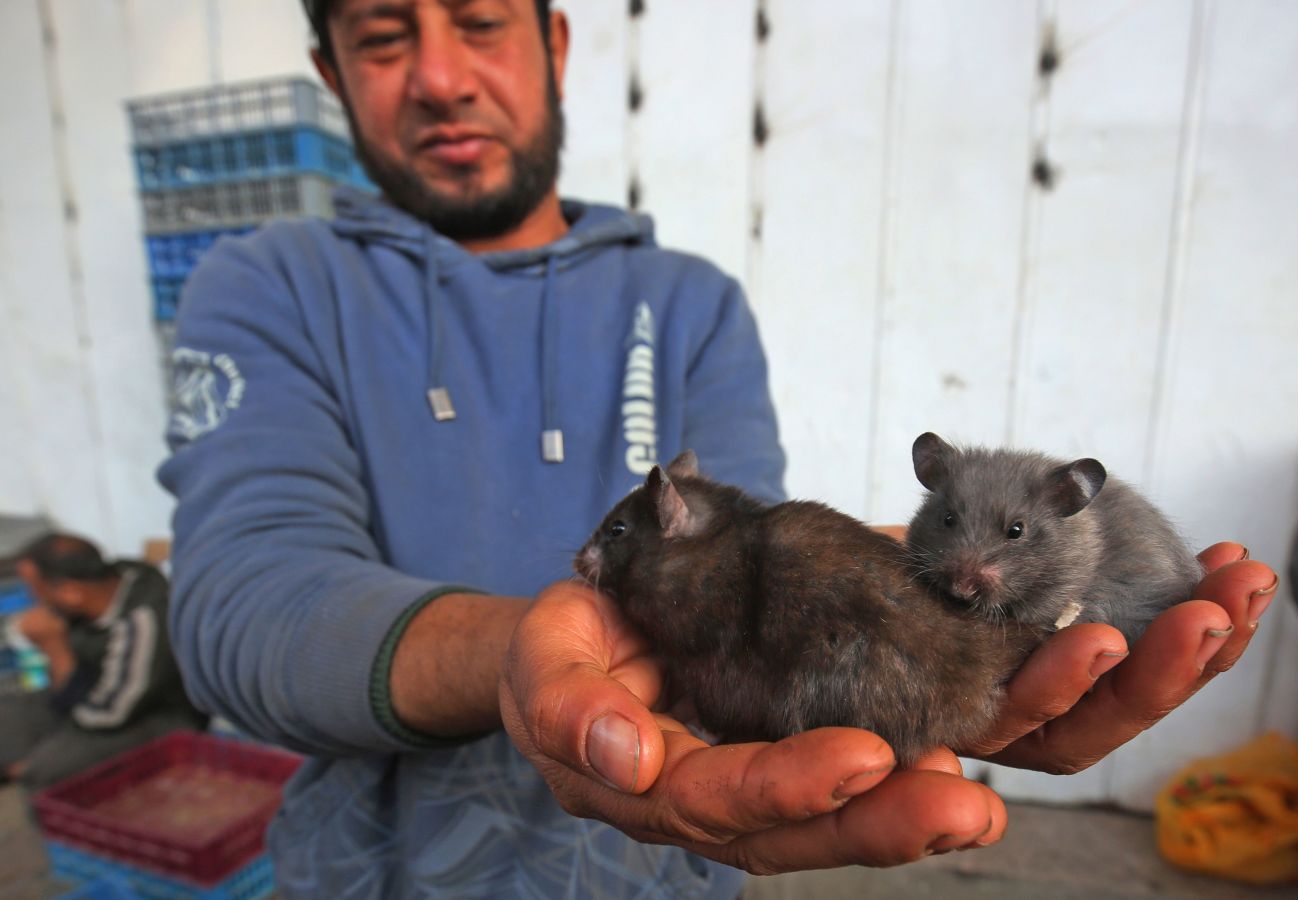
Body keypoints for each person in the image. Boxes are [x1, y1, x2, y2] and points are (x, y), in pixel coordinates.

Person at [156, 0, 1279, 896]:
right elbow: (238, 606)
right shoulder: (266, 285)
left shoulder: (689, 304)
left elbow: (756, 588)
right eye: (385, 33)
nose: (442, 75)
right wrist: (529, 656)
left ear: (552, 42)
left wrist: (900, 626)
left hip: (666, 872)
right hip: (370, 869)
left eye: (480, 21)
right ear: (328, 65)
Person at [0, 534, 205, 792]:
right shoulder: (102, 588)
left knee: (45, 771)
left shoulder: (142, 623)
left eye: (38, 591)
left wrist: (55, 649)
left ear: (72, 592)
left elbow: (104, 715)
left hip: (152, 716)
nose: (36, 602)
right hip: (91, 694)